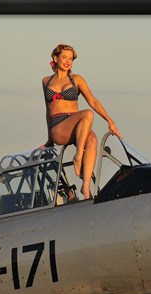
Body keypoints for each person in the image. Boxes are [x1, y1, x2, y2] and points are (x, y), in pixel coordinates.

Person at [41, 44, 121, 200]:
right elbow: (47, 110)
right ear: (55, 59)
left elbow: (93, 100)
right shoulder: (46, 81)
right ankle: (78, 157)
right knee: (88, 114)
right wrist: (49, 139)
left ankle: (86, 188)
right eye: (64, 57)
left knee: (92, 139)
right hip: (58, 126)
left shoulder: (77, 79)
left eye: (71, 59)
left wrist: (110, 121)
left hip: (77, 124)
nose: (68, 61)